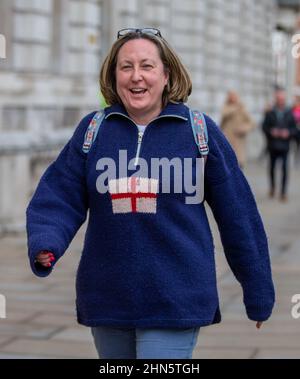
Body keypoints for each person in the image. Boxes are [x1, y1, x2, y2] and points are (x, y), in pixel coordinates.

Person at [26, 28, 275, 359]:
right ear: (113, 75)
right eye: (125, 66)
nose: (136, 76)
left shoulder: (198, 131)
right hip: (107, 299)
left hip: (177, 298)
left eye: (147, 66)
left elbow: (239, 215)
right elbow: (59, 194)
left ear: (166, 74)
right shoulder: (93, 131)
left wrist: (257, 291)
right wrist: (46, 240)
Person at [262, 88, 298, 201]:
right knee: (272, 168)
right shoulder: (270, 112)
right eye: (278, 98)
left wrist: (288, 133)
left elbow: (295, 129)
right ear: (276, 99)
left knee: (284, 169)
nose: (280, 100)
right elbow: (264, 127)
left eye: (282, 99)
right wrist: (271, 132)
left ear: (284, 100)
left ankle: (283, 192)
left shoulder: (289, 112)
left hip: (284, 146)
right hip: (273, 145)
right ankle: (272, 188)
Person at [220, 91, 256, 169]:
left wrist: (243, 129)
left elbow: (252, 123)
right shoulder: (226, 107)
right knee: (227, 165)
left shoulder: (242, 108)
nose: (232, 98)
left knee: (238, 166)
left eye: (234, 96)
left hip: (238, 142)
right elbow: (223, 116)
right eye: (231, 96)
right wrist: (234, 108)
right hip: (227, 140)